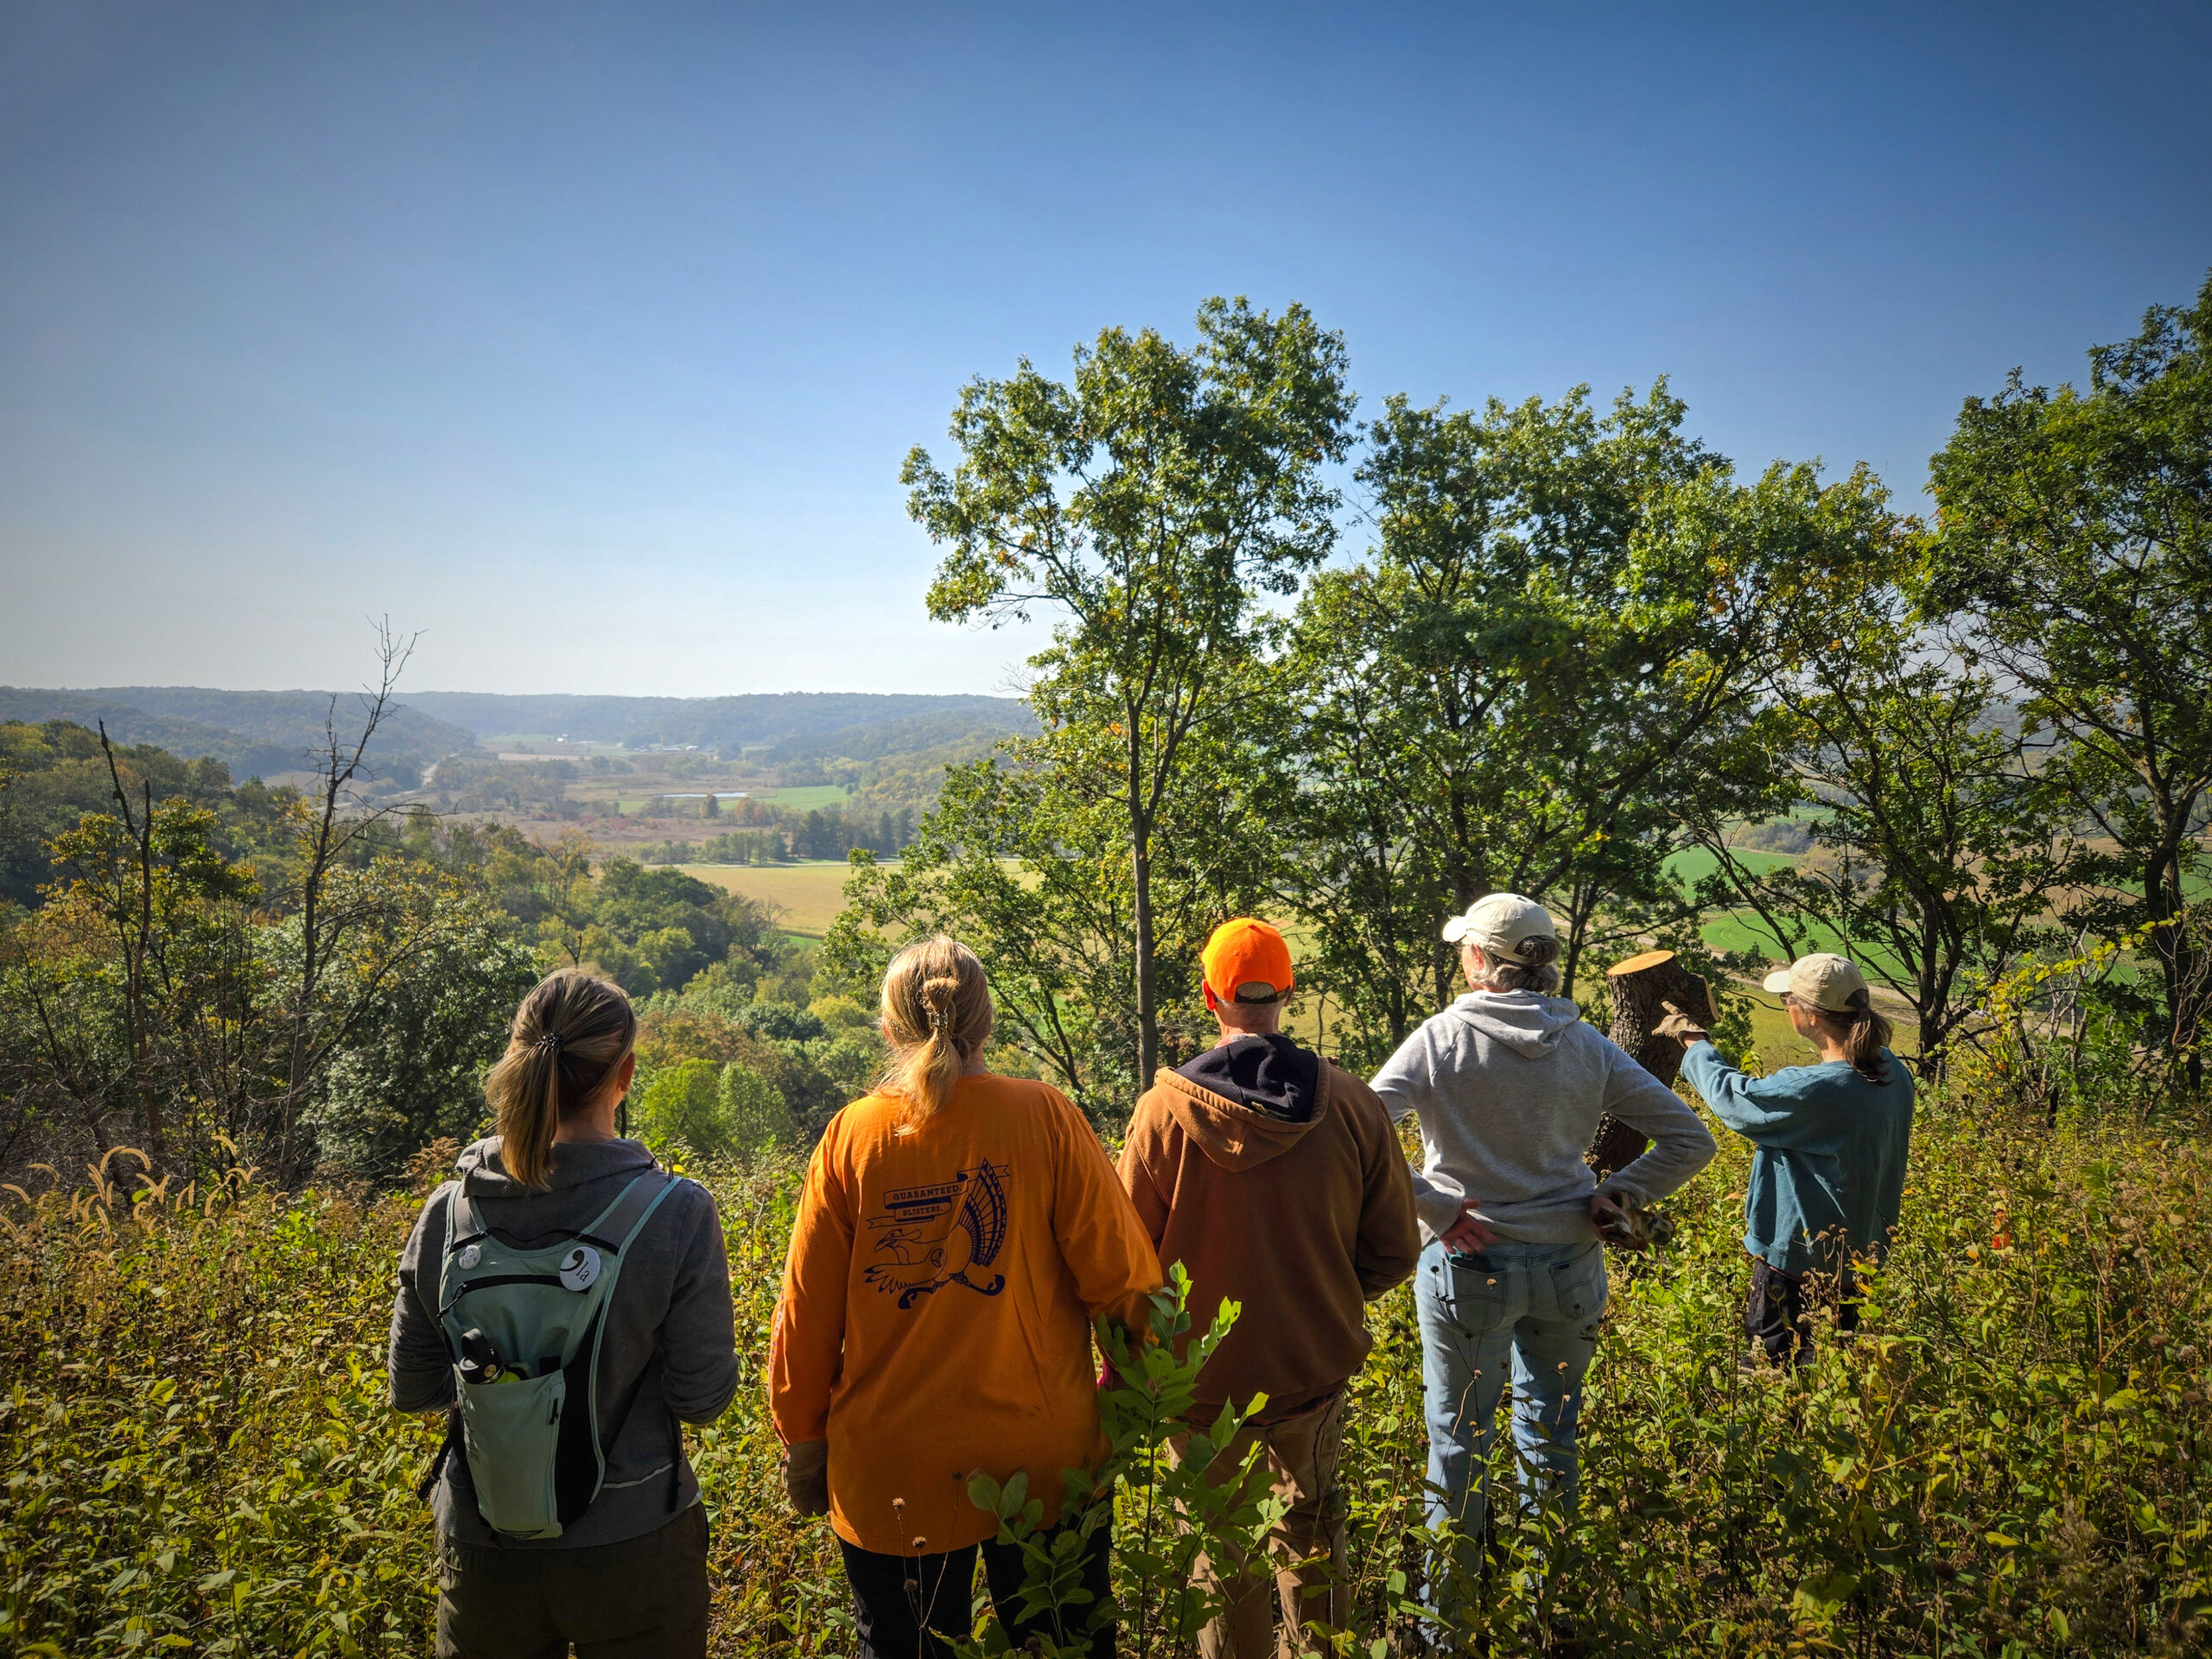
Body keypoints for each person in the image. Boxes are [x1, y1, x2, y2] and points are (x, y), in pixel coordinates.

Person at [770, 936, 1162, 1659]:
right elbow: (1127, 1283)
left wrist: (803, 1435)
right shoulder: (1044, 1116)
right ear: (987, 1026)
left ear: (889, 1031)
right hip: (1046, 1461)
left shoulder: (851, 1137)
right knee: (1063, 1647)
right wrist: (1136, 1392)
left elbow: (805, 1319)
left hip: (892, 1471)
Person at [1368, 894, 1716, 1602]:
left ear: (1478, 961)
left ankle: (1448, 1626)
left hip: (1468, 1268)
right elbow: (1692, 1139)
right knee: (1552, 1437)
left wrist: (1434, 1204)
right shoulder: (1588, 1046)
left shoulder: (1440, 1038)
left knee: (1459, 1446)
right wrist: (1618, 1197)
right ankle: (1547, 1607)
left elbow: (1357, 1133)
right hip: (1569, 1268)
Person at [389, 968, 739, 1659]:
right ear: (625, 1073)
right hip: (636, 1542)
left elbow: (413, 1390)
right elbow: (703, 1399)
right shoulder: (674, 1213)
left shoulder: (448, 1213)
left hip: (484, 1544)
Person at [1120, 918, 1421, 1659]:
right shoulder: (1351, 1102)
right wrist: (1323, 1299)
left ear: (1208, 996)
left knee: (1221, 1557)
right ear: (1286, 991)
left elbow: (1125, 1266)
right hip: (1310, 1377)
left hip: (1196, 1387)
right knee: (1314, 1539)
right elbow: (1395, 1251)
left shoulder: (1163, 1113)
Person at [1667, 951, 1915, 1370]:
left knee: (1772, 1370)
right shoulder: (1891, 1070)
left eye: (1788, 1001)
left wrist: (1694, 1043)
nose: (1787, 1009)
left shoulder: (1819, 1089)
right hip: (1857, 1258)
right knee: (1832, 1370)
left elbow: (1734, 1100)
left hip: (1797, 1263)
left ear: (1812, 1016)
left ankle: (1769, 1434)